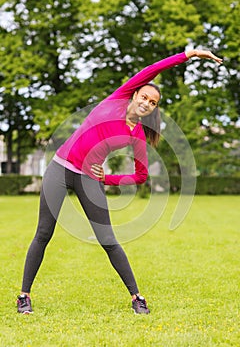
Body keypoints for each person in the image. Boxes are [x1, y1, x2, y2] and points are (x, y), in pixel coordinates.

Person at [17, 49, 222, 314]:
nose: (147, 103)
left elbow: (141, 175)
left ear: (154, 109)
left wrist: (109, 178)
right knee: (44, 232)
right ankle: (24, 296)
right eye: (145, 97)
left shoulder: (137, 136)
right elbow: (152, 68)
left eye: (153, 102)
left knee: (108, 239)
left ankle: (137, 298)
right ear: (136, 94)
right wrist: (189, 54)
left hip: (89, 178)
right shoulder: (118, 97)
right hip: (60, 167)